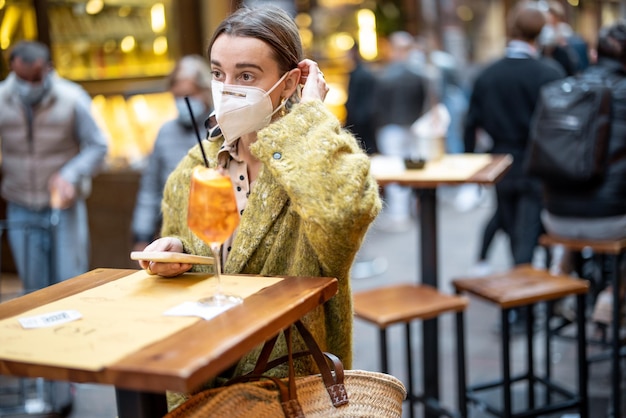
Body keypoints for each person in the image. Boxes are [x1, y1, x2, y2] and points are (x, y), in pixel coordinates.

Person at [137, 4, 381, 403]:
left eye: (246, 75)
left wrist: (311, 117)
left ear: (289, 82)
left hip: (286, 390)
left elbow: (346, 214)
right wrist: (177, 252)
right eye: (218, 73)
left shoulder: (312, 159)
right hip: (201, 382)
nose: (227, 87)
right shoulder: (194, 168)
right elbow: (189, 255)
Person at [464, 2, 565, 328]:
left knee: (513, 233)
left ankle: (520, 305)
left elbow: (471, 123)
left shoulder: (488, 74)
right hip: (537, 166)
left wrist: (472, 166)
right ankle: (520, 311)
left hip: (500, 165)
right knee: (524, 237)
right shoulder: (548, 73)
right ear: (540, 32)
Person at [0, 41, 108, 293]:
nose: (28, 84)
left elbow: (98, 145)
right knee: (33, 287)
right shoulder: (2, 98)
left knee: (70, 283)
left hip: (63, 205)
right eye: (21, 77)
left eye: (35, 77)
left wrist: (70, 175)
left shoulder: (72, 98)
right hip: (20, 203)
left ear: (48, 69)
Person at [539, 21, 626, 326]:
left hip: (554, 219)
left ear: (593, 54)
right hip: (610, 224)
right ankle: (614, 294)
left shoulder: (563, 88)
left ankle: (562, 265)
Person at [131, 55, 213, 251]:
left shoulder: (222, 127)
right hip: (176, 234)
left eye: (188, 95)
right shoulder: (166, 132)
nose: (182, 103)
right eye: (176, 97)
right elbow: (150, 188)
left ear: (205, 91)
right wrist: (141, 233)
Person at [372, 31, 428, 230]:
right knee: (412, 169)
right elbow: (424, 102)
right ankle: (412, 208)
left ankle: (400, 214)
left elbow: (377, 106)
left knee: (396, 170)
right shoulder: (418, 75)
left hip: (392, 128)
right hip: (411, 127)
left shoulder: (384, 75)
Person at [344, 44, 378, 155]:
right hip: (366, 117)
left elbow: (353, 99)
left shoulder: (358, 74)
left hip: (359, 118)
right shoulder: (365, 72)